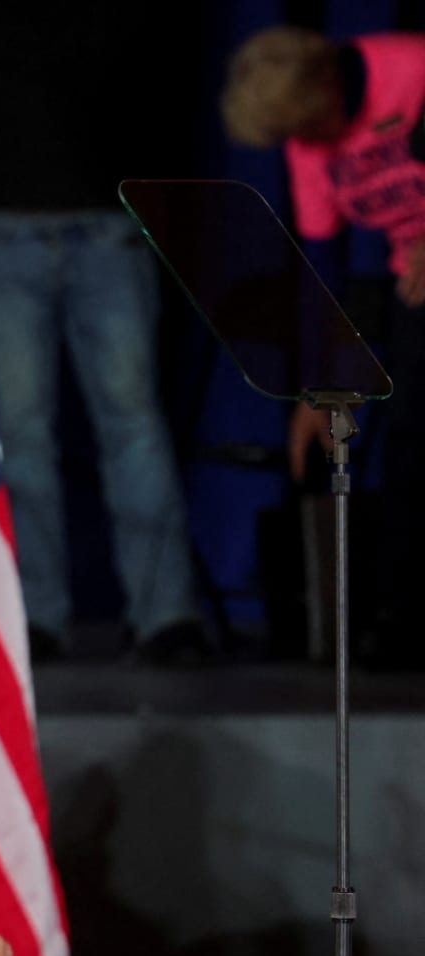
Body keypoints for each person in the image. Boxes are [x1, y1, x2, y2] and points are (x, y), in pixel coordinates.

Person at [0, 2, 207, 663]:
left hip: (108, 227)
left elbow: (164, 91)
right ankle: (36, 616)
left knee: (133, 423)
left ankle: (165, 614)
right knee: (21, 432)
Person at [224, 25, 425, 668]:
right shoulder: (307, 141)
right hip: (413, 285)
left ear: (331, 87)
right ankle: (400, 615)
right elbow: (324, 269)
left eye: (313, 131)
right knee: (405, 428)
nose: (312, 149)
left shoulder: (411, 70)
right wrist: (319, 387)